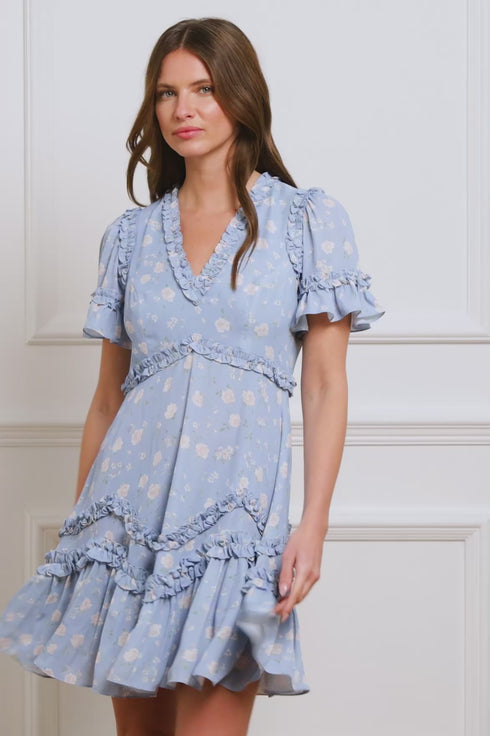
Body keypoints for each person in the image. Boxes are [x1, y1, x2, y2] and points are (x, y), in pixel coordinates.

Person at [0, 16, 385, 736]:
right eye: (166, 93)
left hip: (234, 533)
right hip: (122, 527)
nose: (184, 109)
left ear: (241, 94)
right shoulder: (129, 238)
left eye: (204, 89)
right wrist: (83, 536)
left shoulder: (307, 221)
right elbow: (107, 401)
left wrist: (314, 523)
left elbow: (326, 385)